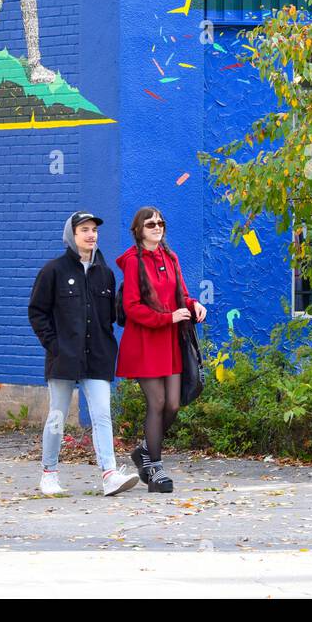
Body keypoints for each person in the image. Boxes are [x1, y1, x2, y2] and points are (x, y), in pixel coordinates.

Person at [28, 212, 139, 497]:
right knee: (57, 416)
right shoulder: (54, 271)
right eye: (84, 230)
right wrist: (54, 345)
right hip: (64, 357)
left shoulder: (106, 274)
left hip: (98, 357)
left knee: (102, 415)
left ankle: (110, 474)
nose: (91, 235)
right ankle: (49, 474)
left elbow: (114, 317)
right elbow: (37, 312)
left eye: (94, 230)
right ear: (71, 235)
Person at [115, 207, 207, 493]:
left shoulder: (170, 256)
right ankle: (155, 469)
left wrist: (193, 306)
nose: (157, 227)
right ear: (139, 230)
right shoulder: (133, 262)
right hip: (145, 342)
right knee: (156, 403)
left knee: (174, 404)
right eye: (150, 223)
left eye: (160, 223)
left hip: (170, 342)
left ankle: (143, 450)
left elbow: (182, 294)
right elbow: (131, 307)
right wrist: (167, 318)